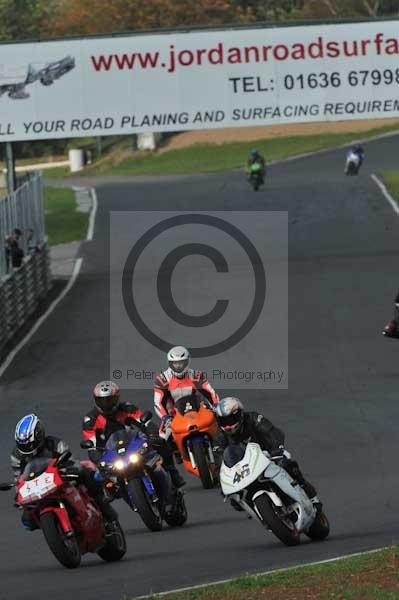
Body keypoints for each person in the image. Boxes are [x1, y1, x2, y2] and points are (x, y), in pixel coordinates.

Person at [11, 414, 118, 532]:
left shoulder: (54, 443)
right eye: (23, 445)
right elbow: (18, 477)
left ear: (39, 436)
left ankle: (108, 515)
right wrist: (18, 493)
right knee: (27, 521)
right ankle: (54, 527)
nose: (27, 448)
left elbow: (70, 459)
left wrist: (70, 468)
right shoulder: (16, 456)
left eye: (29, 444)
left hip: (59, 475)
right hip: (37, 486)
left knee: (86, 474)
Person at [215, 397, 321, 511]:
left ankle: (312, 497)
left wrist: (277, 451)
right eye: (224, 421)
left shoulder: (252, 418)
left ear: (239, 415)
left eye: (230, 420)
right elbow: (219, 459)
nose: (227, 425)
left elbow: (273, 432)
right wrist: (222, 482)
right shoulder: (220, 436)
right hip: (244, 469)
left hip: (268, 454)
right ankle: (263, 514)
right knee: (236, 501)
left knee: (289, 465)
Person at [82, 380, 185, 488]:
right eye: (102, 401)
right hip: (109, 453)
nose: (106, 404)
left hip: (132, 444)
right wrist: (99, 459)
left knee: (161, 443)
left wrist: (153, 435)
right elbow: (91, 445)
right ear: (96, 401)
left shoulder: (127, 408)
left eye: (110, 400)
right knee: (97, 477)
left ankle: (172, 473)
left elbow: (145, 422)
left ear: (117, 398)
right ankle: (105, 496)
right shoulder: (90, 420)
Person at [153, 346, 219, 441]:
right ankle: (174, 454)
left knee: (218, 423)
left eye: (181, 362)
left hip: (197, 410)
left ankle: (218, 448)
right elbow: (158, 402)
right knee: (163, 437)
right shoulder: (162, 380)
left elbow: (210, 392)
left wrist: (215, 406)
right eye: (175, 363)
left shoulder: (196, 375)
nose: (178, 366)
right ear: (170, 363)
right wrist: (166, 417)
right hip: (174, 415)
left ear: (187, 362)